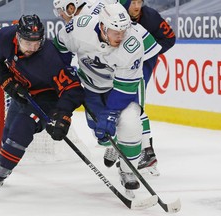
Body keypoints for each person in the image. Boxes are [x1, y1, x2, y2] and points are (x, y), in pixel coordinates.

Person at [0, 14, 84, 199]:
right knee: (8, 132)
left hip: (47, 98)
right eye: (28, 42)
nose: (33, 48)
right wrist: (6, 79)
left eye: (37, 42)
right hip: (22, 92)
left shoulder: (49, 57)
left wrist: (63, 116)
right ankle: (1, 166)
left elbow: (73, 89)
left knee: (21, 128)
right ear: (17, 37)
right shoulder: (4, 38)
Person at [53, 3, 161, 191]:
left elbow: (125, 87)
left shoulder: (132, 43)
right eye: (115, 32)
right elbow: (60, 45)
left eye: (123, 31)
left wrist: (111, 113)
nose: (120, 36)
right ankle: (115, 145)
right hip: (92, 85)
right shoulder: (80, 27)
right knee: (100, 132)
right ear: (102, 26)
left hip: (121, 84)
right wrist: (63, 68)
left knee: (130, 122)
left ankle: (128, 170)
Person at [118, 0, 176, 174]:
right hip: (118, 66)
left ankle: (147, 152)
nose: (137, 6)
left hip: (140, 68)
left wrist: (147, 54)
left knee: (133, 106)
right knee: (122, 106)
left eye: (140, 2)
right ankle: (131, 146)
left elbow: (169, 38)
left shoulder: (150, 16)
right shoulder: (114, 14)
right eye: (133, 2)